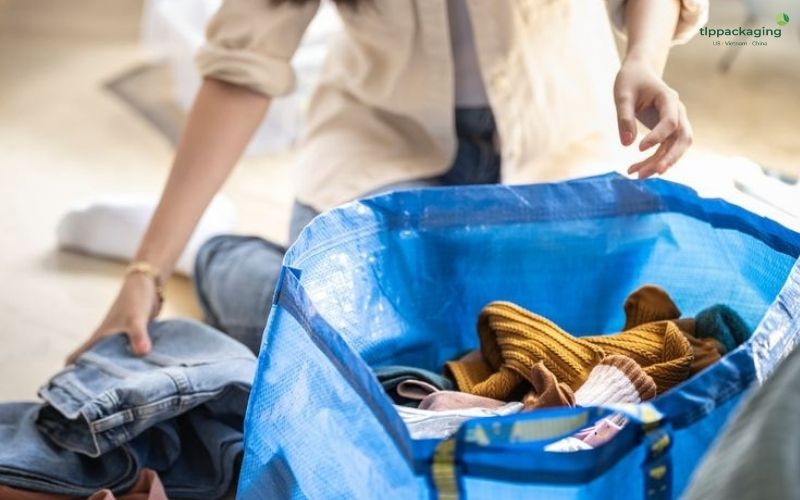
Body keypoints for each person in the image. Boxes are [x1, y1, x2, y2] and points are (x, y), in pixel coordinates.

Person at [67, 0, 708, 359]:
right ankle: (216, 254)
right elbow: (244, 61)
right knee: (352, 352)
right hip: (380, 149)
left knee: (549, 347)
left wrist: (643, 62)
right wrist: (146, 270)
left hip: (561, 140)